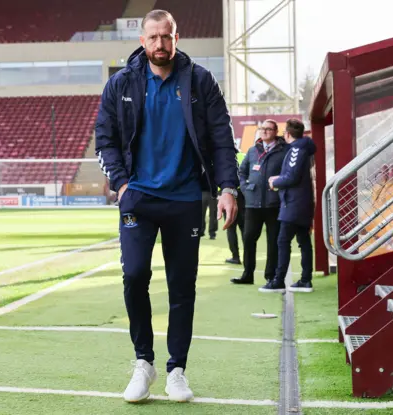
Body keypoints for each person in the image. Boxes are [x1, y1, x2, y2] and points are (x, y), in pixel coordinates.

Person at [94, 9, 239, 403]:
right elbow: (104, 138)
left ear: (177, 37)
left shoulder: (200, 82)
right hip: (138, 198)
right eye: (153, 37)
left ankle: (177, 369)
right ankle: (144, 362)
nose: (160, 44)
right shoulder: (121, 84)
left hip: (185, 199)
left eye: (167, 37)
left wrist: (228, 188)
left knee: (181, 287)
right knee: (135, 275)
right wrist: (122, 184)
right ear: (142, 41)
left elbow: (221, 137)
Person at [231, 120, 287, 285]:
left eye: (269, 129)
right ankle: (247, 274)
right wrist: (245, 188)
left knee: (273, 241)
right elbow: (242, 171)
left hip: (273, 204)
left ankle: (270, 276)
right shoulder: (253, 150)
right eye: (262, 129)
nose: (265, 132)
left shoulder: (284, 152)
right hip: (252, 204)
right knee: (248, 239)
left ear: (276, 131)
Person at [264, 118, 316, 293]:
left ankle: (279, 281)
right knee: (303, 240)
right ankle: (305, 280)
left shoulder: (296, 149)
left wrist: (275, 181)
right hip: (301, 201)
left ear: (287, 133)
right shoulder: (303, 148)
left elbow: (292, 177)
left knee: (283, 241)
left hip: (294, 203)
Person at [224, 150, 247, 264]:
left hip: (229, 193)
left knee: (231, 227)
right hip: (243, 194)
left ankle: (235, 256)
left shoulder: (224, 157)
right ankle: (248, 255)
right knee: (244, 227)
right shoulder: (244, 155)